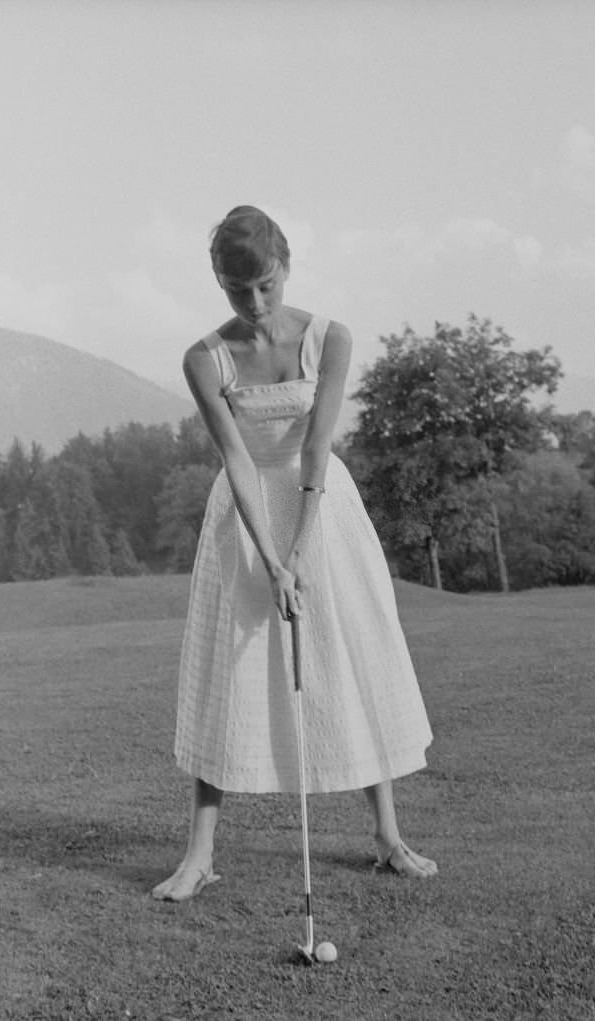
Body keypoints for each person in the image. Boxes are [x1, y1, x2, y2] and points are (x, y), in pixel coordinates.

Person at [152, 205, 437, 902]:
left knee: (349, 654)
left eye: (266, 286)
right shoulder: (204, 358)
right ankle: (200, 855)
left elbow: (315, 447)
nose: (253, 304)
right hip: (246, 521)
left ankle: (388, 836)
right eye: (235, 290)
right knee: (235, 670)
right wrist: (272, 558)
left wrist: (303, 546)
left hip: (322, 513)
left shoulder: (330, 339)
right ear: (219, 282)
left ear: (286, 266)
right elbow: (239, 461)